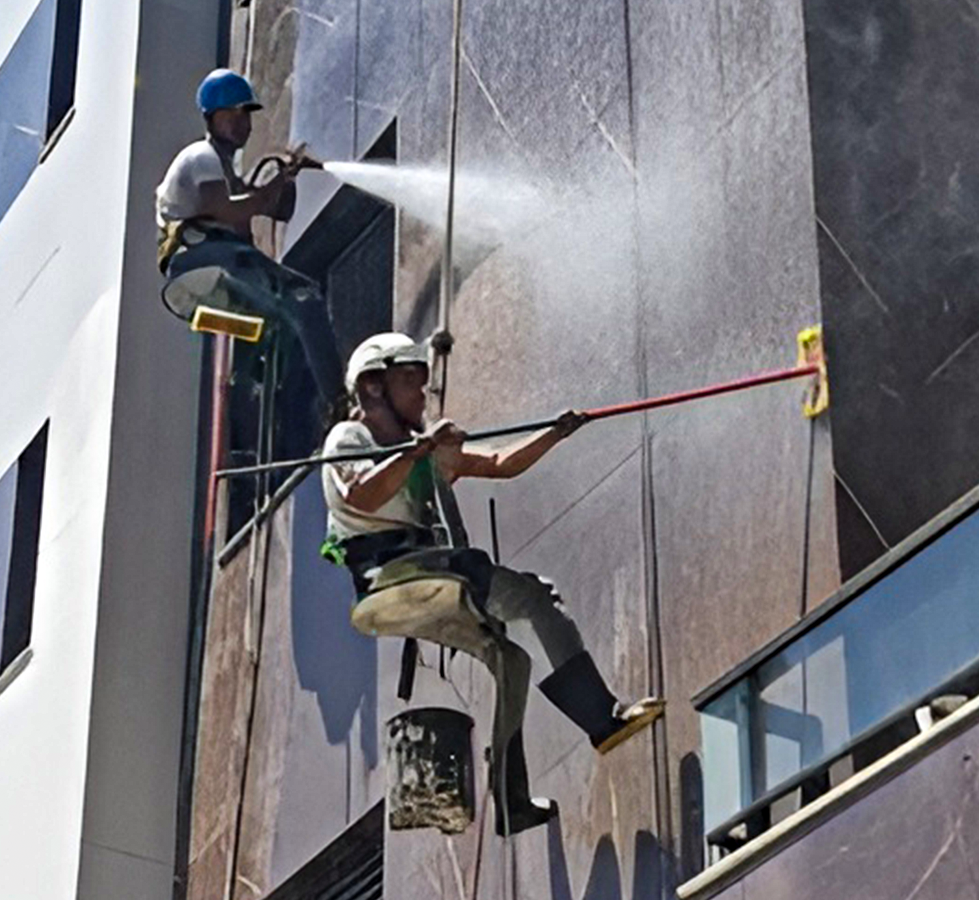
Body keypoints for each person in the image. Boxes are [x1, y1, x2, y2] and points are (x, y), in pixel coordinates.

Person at [322, 333, 665, 835]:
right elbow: (361, 496)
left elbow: (500, 464)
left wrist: (554, 433)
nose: (421, 395)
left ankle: (511, 802)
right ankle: (603, 717)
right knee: (534, 597)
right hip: (393, 574)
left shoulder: (422, 453)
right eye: (410, 381)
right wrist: (419, 452)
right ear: (373, 387)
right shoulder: (350, 439)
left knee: (511, 661)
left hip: (422, 585)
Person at [155, 68, 344, 404]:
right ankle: (337, 400)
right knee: (305, 298)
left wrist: (289, 177)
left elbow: (275, 211)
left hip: (209, 272)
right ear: (211, 118)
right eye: (231, 113)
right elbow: (230, 211)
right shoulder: (201, 157)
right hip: (201, 262)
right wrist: (278, 180)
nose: (242, 122)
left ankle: (271, 408)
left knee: (278, 334)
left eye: (246, 113)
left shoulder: (227, 173)